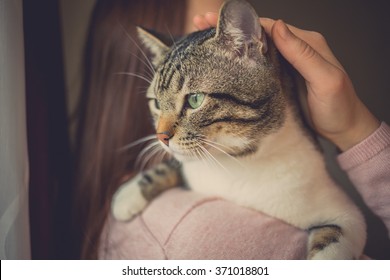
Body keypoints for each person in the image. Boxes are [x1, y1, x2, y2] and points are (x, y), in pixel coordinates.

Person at [75, 0, 390, 259]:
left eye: (192, 99)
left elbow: (340, 222)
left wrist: (350, 126)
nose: (163, 132)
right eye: (159, 103)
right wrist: (357, 130)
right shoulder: (191, 232)